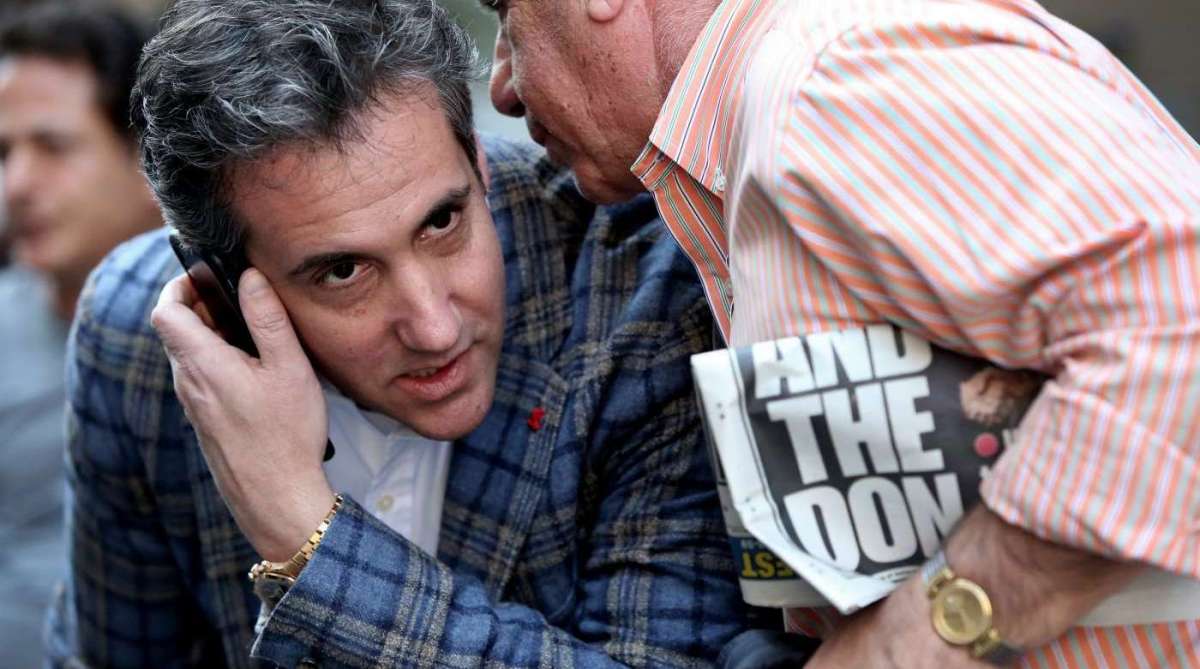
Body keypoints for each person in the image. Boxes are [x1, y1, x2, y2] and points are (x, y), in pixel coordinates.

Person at [47, 0, 786, 666]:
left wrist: (307, 538)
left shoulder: (645, 293)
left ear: (479, 165)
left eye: (442, 222)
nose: (434, 327)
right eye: (343, 272)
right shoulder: (138, 341)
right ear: (219, 289)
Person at [482, 0, 1200, 665]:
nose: (503, 86)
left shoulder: (824, 80)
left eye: (506, 13)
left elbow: (1178, 321)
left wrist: (930, 629)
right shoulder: (791, 103)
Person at [0, 4, 159, 666]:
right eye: (5, 153)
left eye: (53, 147)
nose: (16, 185)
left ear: (148, 157)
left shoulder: (230, 337)